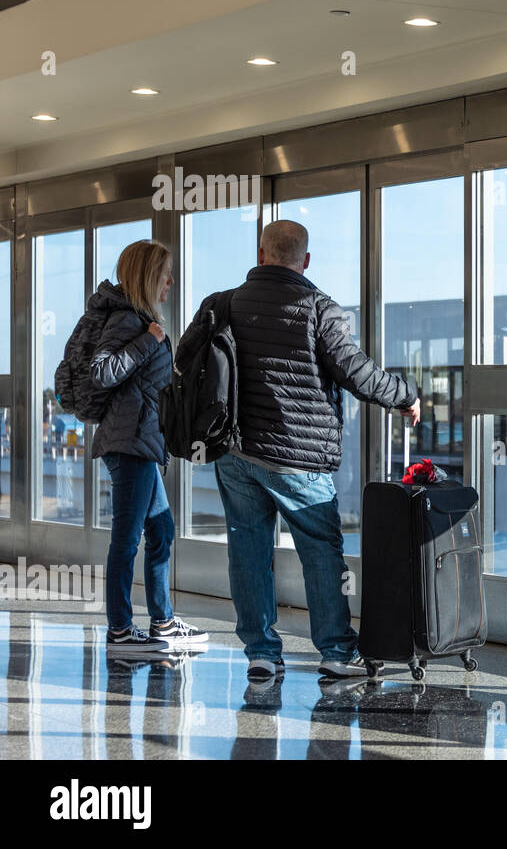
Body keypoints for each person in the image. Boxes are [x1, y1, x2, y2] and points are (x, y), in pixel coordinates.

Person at [203, 220, 419, 681]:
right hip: (299, 458)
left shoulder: (223, 304)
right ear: (305, 261)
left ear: (261, 253)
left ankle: (261, 652)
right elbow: (355, 372)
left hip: (236, 453)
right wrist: (404, 396)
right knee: (320, 551)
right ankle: (337, 652)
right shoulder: (319, 308)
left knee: (248, 549)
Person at [91, 240, 207, 652]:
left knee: (161, 529)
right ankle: (121, 630)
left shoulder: (141, 319)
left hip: (141, 444)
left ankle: (162, 621)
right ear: (147, 276)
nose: (171, 281)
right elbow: (102, 372)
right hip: (129, 446)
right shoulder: (127, 321)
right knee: (127, 539)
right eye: (165, 274)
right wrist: (148, 342)